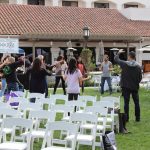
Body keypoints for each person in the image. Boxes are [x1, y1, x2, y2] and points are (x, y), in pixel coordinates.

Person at [114, 50, 142, 122]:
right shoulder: (138, 66)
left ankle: (126, 118)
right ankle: (137, 118)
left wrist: (119, 53)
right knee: (136, 103)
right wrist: (136, 83)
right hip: (134, 87)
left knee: (126, 103)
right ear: (134, 57)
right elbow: (140, 78)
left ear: (129, 57)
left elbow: (116, 59)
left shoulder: (124, 64)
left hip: (126, 86)